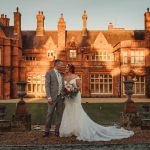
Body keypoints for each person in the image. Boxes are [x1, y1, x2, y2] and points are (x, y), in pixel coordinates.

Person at [59, 64, 134, 141]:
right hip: (68, 98)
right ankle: (70, 129)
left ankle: (79, 128)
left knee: (76, 110)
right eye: (65, 67)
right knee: (68, 110)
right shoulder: (64, 77)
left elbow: (79, 87)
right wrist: (66, 92)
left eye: (67, 67)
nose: (66, 68)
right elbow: (63, 87)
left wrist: (72, 90)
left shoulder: (76, 77)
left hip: (75, 96)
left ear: (71, 69)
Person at [43, 59, 64, 137]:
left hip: (60, 98)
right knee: (49, 114)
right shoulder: (49, 73)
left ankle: (57, 131)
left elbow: (62, 85)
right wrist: (49, 97)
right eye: (61, 65)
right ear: (57, 65)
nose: (63, 66)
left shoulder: (62, 74)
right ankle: (46, 131)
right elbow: (47, 86)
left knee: (59, 115)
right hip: (52, 97)